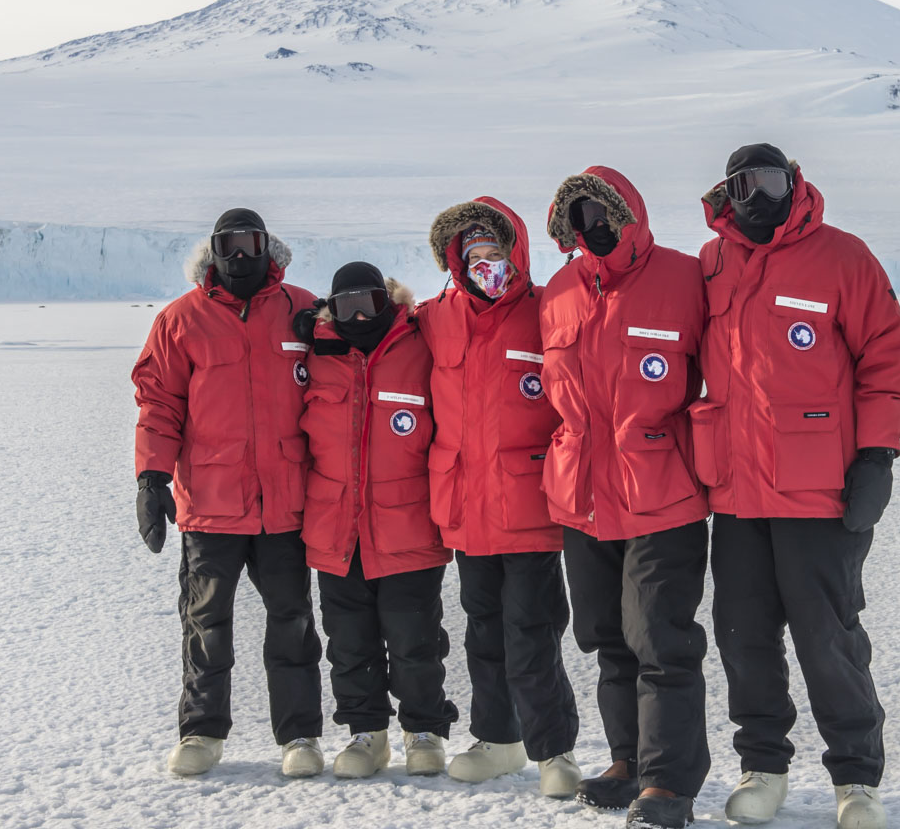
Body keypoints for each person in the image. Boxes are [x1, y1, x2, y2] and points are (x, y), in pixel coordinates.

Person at [693, 144, 900, 829]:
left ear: (796, 182)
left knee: (829, 637)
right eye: (746, 182)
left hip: (820, 494)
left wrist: (877, 455)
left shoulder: (843, 258)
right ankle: (763, 767)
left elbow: (886, 355)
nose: (760, 193)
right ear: (727, 190)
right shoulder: (712, 263)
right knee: (743, 636)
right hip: (734, 494)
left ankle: (856, 778)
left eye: (773, 179)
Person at [538, 167, 709, 829]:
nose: (591, 226)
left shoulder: (683, 278)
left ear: (627, 212)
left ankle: (668, 784)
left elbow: (729, 371)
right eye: (577, 217)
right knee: (608, 637)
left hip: (662, 494)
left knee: (660, 637)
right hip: (581, 495)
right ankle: (628, 759)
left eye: (601, 211)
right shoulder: (557, 292)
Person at [130, 208, 325, 778]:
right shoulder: (180, 320)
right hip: (211, 506)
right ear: (212, 250)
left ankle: (301, 738)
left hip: (286, 503)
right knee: (205, 623)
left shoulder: (302, 310)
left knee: (292, 623)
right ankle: (200, 734)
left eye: (251, 243)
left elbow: (345, 375)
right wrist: (151, 478)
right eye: (229, 245)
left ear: (269, 246)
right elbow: (159, 405)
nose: (241, 255)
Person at [416, 200, 581, 797]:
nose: (485, 264)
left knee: (532, 631)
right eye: (473, 255)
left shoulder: (548, 312)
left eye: (494, 253)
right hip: (464, 503)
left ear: (516, 255)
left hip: (530, 504)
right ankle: (498, 739)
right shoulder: (434, 318)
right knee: (483, 631)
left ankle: (553, 750)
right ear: (456, 262)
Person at [292, 261, 459, 779]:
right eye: (345, 306)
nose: (359, 314)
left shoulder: (420, 340)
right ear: (330, 309)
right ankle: (368, 736)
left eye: (369, 302)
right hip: (337, 526)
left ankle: (423, 731)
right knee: (349, 641)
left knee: (415, 639)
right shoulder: (316, 354)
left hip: (408, 523)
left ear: (388, 301)